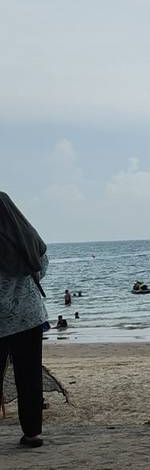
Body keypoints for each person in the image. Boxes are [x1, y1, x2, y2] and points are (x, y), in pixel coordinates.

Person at [0, 191, 50, 447]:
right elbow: (41, 268)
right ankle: (33, 434)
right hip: (29, 317)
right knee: (29, 377)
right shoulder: (27, 236)